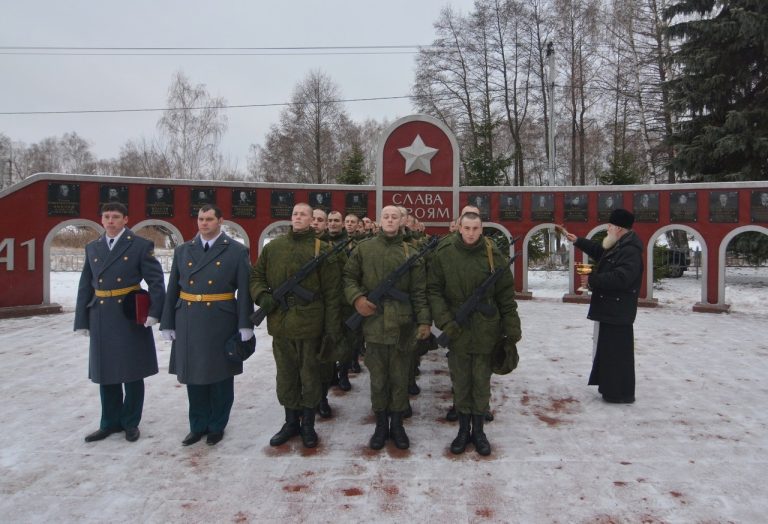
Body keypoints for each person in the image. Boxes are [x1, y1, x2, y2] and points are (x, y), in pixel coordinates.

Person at [427, 212, 521, 456]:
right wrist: (446, 322)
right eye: (466, 228)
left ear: (481, 229)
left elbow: (505, 296)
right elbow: (434, 291)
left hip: (485, 330)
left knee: (481, 381)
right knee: (461, 381)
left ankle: (478, 431)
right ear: (459, 228)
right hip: (456, 329)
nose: (470, 233)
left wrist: (512, 327)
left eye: (475, 228)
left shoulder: (493, 255)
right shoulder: (444, 254)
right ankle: (462, 430)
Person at [250, 203, 342, 449]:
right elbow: (257, 277)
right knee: (286, 375)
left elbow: (333, 294)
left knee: (309, 375)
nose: (298, 217)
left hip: (311, 324)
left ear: (312, 220)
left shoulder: (322, 249)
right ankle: (290, 422)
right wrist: (262, 297)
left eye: (303, 214)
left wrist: (331, 330)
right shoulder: (274, 247)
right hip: (281, 322)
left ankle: (308, 424)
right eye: (295, 214)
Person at [160, 204, 253, 446]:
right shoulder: (183, 250)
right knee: (194, 375)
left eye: (209, 219)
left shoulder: (236, 251)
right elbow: (173, 289)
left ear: (220, 221)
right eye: (201, 219)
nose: (204, 223)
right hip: (188, 318)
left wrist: (246, 324)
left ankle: (217, 425)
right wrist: (167, 322)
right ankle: (197, 425)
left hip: (220, 319)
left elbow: (245, 291)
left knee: (220, 375)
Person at [75, 202, 166, 443]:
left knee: (132, 371)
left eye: (116, 217)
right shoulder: (92, 247)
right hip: (101, 315)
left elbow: (156, 282)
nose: (111, 221)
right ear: (101, 220)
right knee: (105, 371)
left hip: (128, 314)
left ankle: (130, 422)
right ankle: (109, 422)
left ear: (126, 219)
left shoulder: (139, 246)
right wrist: (81, 320)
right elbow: (86, 284)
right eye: (106, 216)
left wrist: (155, 312)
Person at [343, 205, 432, 450]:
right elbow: (349, 278)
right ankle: (381, 425)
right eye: (386, 216)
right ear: (380, 221)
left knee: (400, 377)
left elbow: (419, 292)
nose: (390, 220)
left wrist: (424, 321)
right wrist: (357, 299)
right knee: (379, 379)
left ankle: (398, 425)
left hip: (403, 325)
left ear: (401, 221)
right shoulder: (364, 249)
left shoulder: (411, 252)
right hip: (374, 324)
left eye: (395, 216)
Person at [562, 208, 643, 404]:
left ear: (618, 228)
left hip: (618, 310)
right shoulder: (619, 244)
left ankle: (620, 393)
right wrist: (578, 241)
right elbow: (601, 252)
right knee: (609, 351)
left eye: (610, 226)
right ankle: (610, 389)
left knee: (617, 354)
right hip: (612, 309)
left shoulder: (630, 250)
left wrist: (592, 280)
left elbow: (622, 278)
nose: (607, 229)